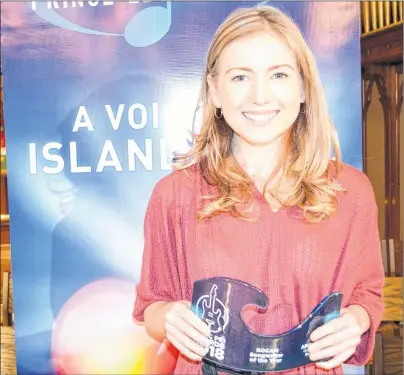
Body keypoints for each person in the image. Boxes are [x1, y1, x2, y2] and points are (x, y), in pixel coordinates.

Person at [132, 5, 385, 375]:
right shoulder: (173, 196)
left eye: (279, 74)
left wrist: (356, 321)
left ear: (303, 87)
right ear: (214, 90)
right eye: (240, 77)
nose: (260, 97)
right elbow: (152, 305)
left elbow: (368, 295)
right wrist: (170, 317)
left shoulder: (349, 191)